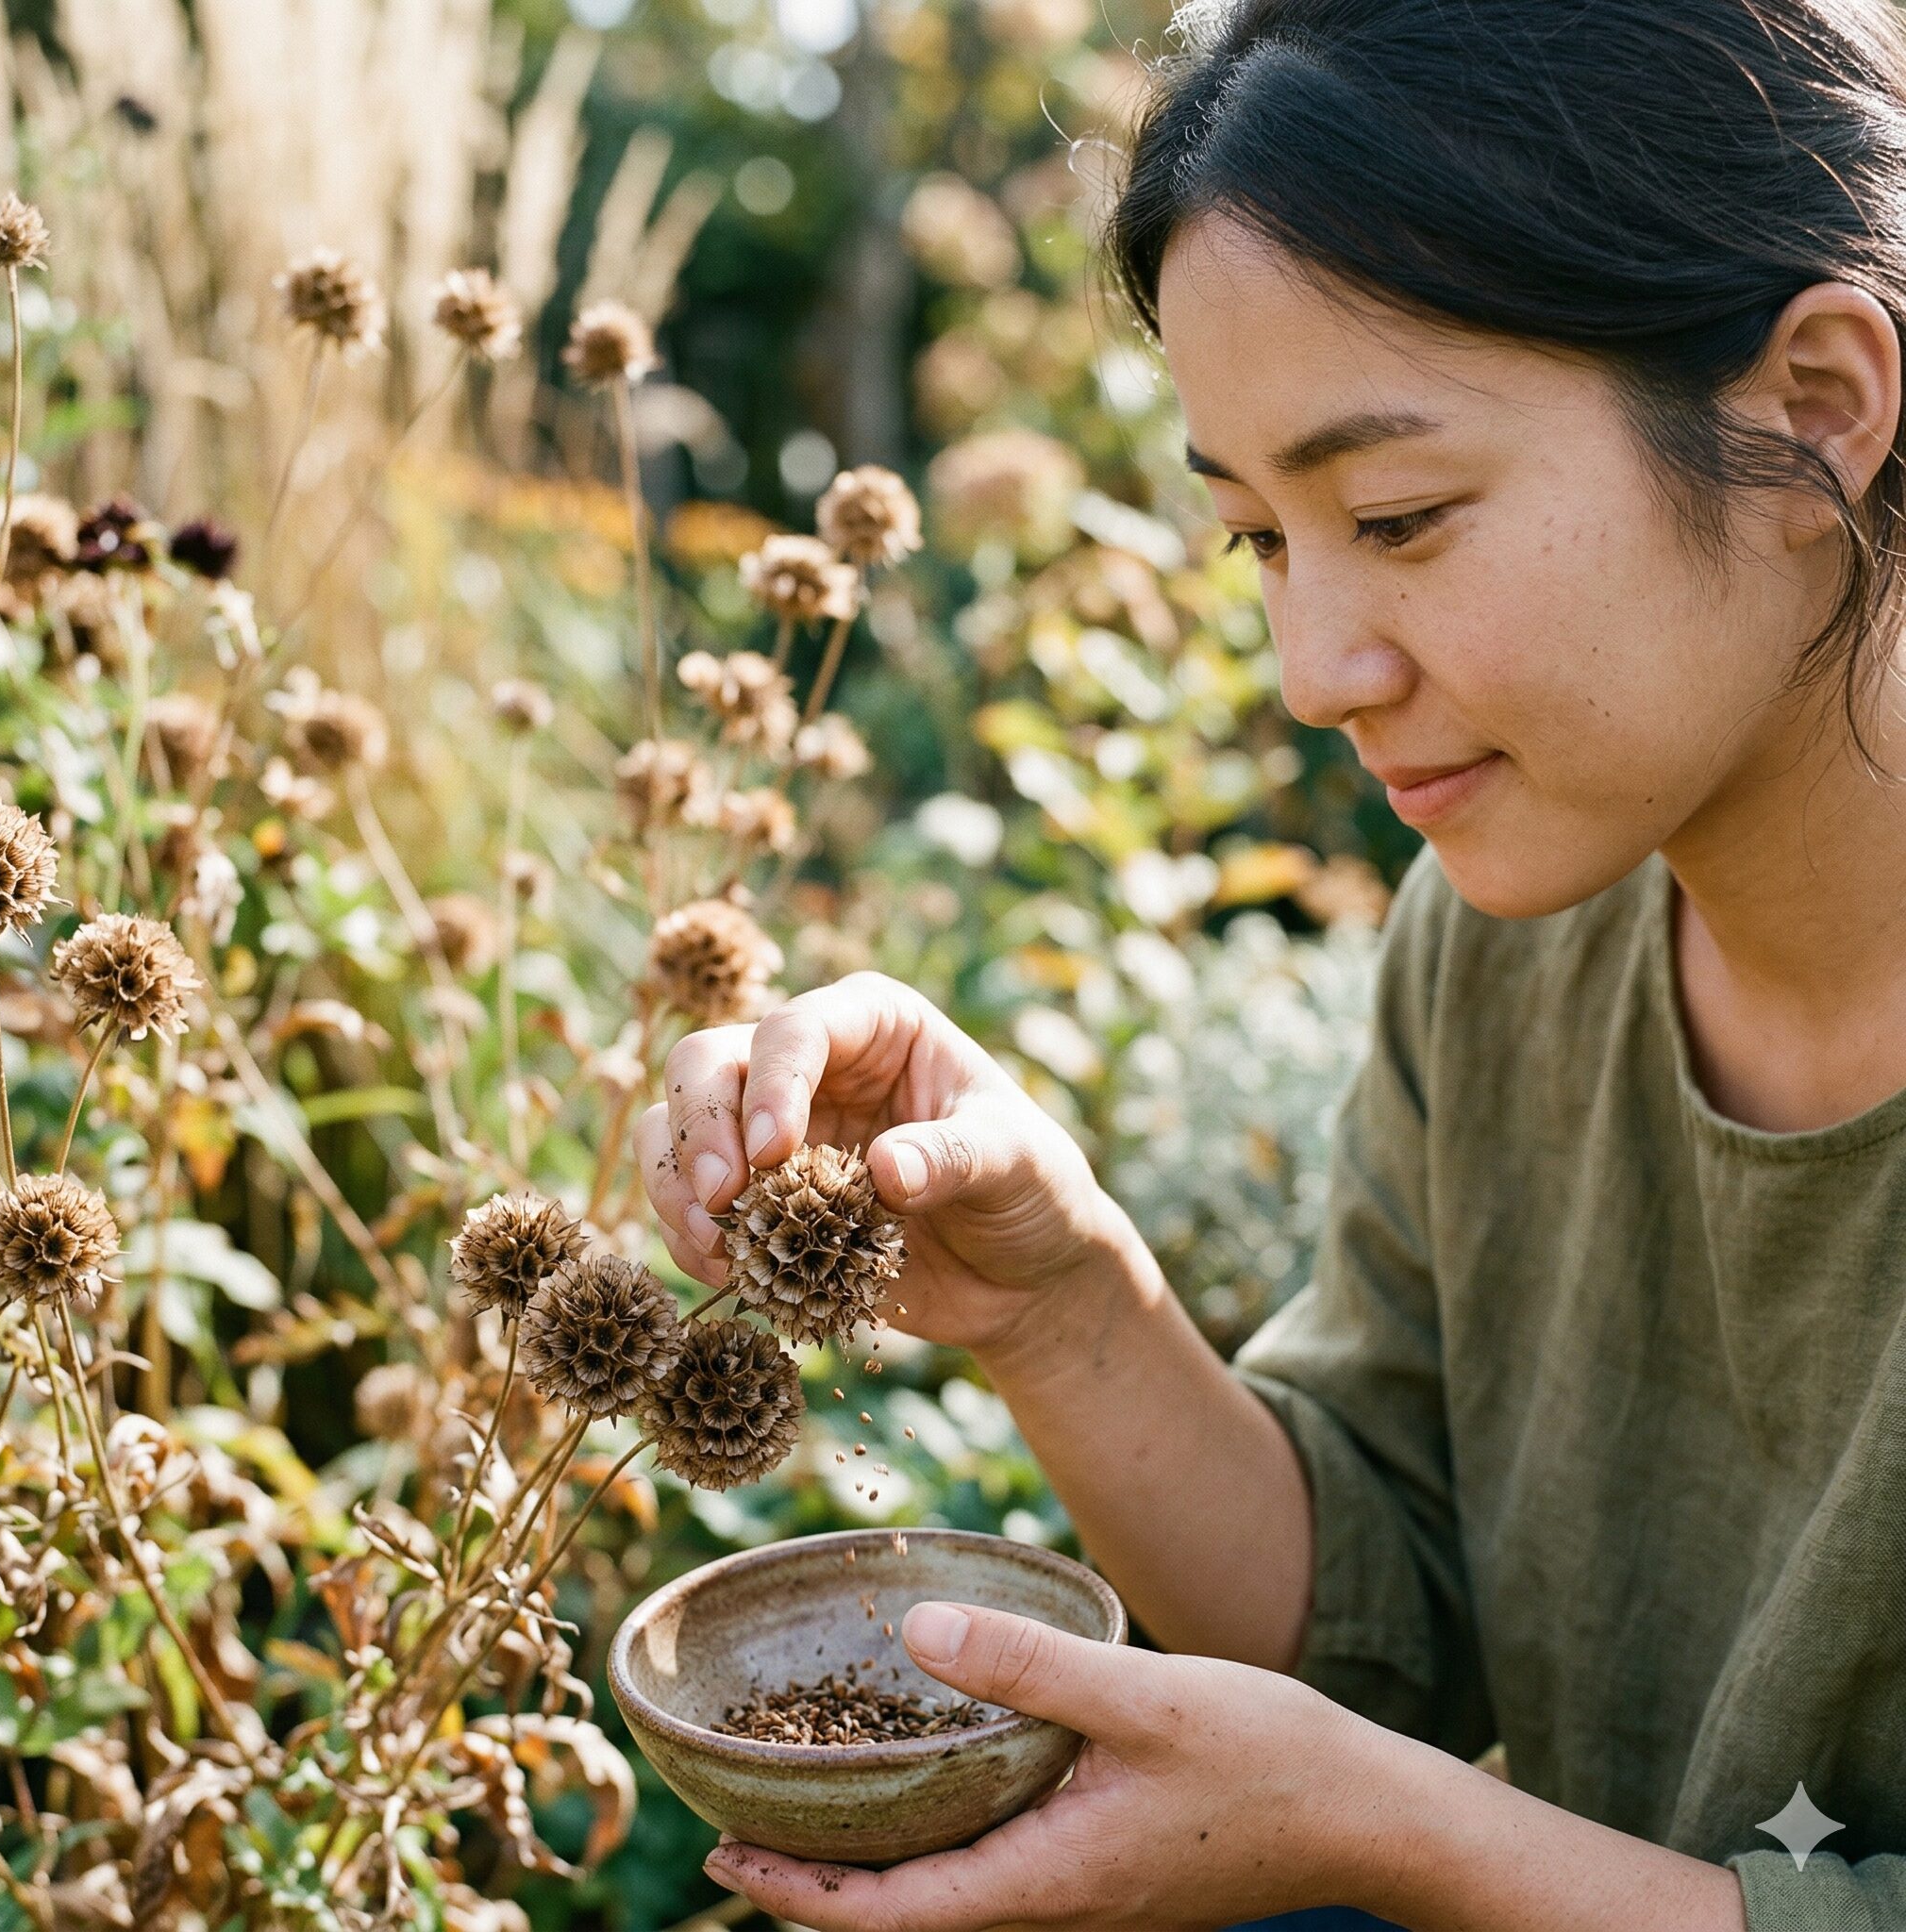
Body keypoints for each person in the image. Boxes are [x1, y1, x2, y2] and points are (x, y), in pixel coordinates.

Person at [636, 0, 1906, 1925]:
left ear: (1812, 400)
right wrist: (1060, 1299)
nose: (1317, 674)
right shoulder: (1505, 957)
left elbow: (1367, 1781)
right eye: (1257, 542)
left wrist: (1393, 1833)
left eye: (1395, 517)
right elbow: (1366, 1628)